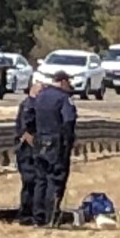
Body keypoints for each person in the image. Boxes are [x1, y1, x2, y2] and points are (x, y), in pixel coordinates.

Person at [26, 70, 78, 228]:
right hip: (56, 143)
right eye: (68, 82)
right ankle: (51, 217)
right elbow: (69, 121)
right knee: (55, 180)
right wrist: (68, 141)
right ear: (62, 81)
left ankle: (38, 217)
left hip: (39, 140)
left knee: (40, 180)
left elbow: (29, 115)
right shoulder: (64, 98)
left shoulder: (40, 95)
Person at [14, 80, 44, 224]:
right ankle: (26, 214)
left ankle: (34, 212)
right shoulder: (28, 105)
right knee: (29, 181)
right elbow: (26, 131)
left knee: (36, 182)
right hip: (27, 150)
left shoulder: (33, 104)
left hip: (32, 149)